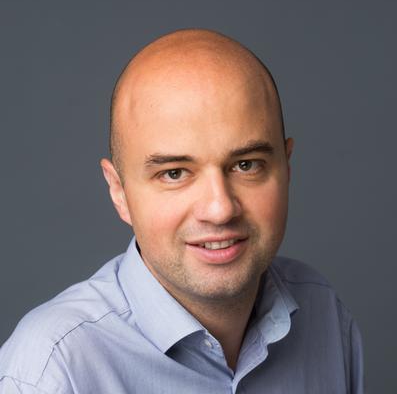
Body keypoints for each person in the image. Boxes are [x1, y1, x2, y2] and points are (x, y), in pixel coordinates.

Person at [0, 29, 364, 393]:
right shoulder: (51, 374)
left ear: (286, 168)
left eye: (246, 165)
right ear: (119, 191)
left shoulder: (324, 316)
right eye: (174, 173)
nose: (220, 209)